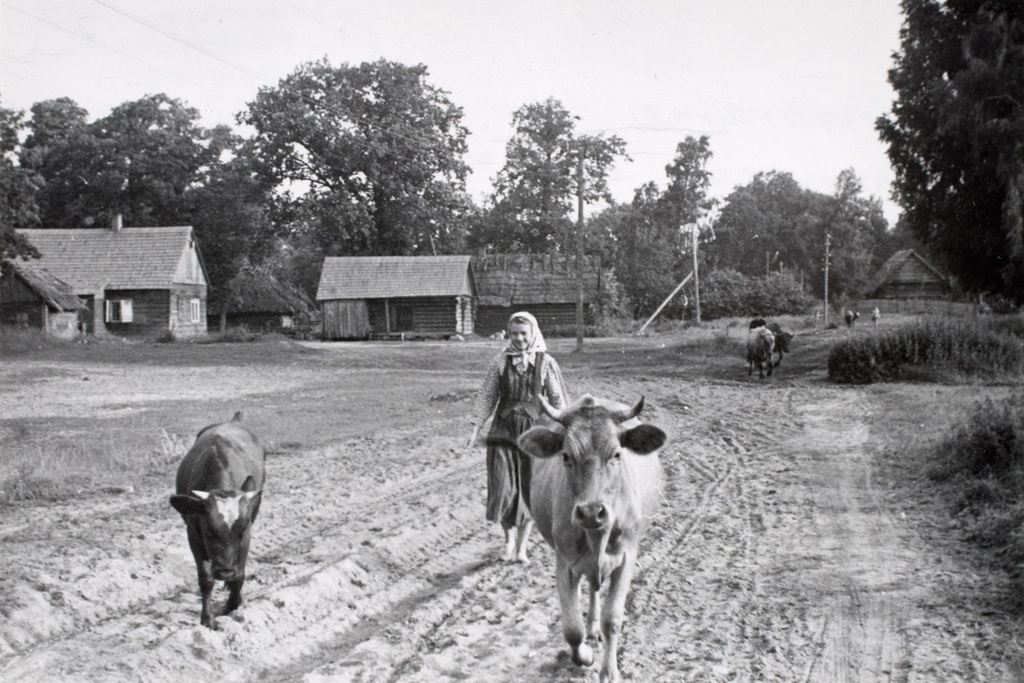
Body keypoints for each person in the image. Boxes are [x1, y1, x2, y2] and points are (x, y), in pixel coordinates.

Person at [467, 311, 568, 564]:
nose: (519, 338)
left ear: (533, 333)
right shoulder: (500, 361)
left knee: (529, 492)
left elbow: (557, 401)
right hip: (503, 431)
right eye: (514, 333)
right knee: (502, 487)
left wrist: (562, 428)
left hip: (533, 434)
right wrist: (475, 427)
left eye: (524, 333)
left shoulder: (545, 363)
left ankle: (521, 549)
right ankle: (508, 541)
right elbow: (487, 397)